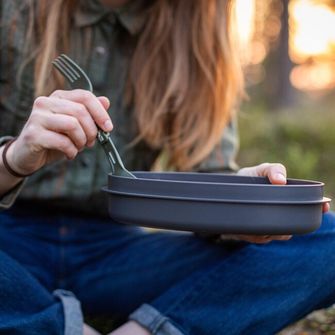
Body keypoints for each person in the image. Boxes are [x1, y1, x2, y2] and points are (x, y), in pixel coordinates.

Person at [0, 0, 333, 334]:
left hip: (121, 258)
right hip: (9, 245)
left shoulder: (195, 27)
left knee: (327, 238)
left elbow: (209, 174)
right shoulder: (15, 11)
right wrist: (14, 158)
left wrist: (240, 206)